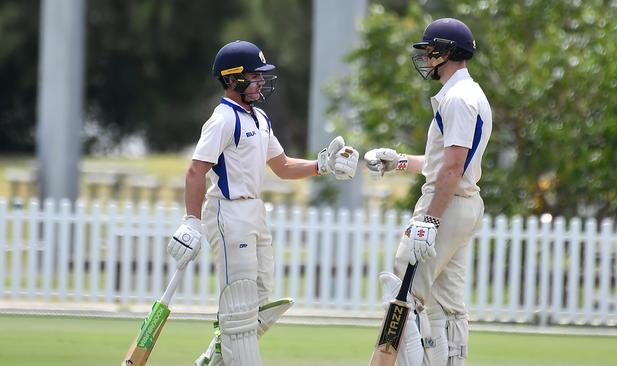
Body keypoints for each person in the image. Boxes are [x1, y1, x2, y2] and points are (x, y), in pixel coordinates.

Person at [166, 40, 359, 366]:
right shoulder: (224, 119)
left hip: (254, 210)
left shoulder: (260, 118)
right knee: (239, 305)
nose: (260, 83)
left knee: (260, 300)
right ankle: (225, 352)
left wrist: (321, 165)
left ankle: (216, 354)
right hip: (228, 211)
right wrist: (191, 220)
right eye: (253, 76)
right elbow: (195, 171)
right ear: (231, 79)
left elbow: (282, 166)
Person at [365, 18, 492, 366]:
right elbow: (444, 162)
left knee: (403, 295)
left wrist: (431, 220)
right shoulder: (469, 94)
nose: (426, 58)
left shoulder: (458, 99)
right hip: (462, 205)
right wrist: (399, 161)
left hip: (445, 207)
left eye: (430, 50)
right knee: (446, 304)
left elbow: (452, 168)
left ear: (446, 52)